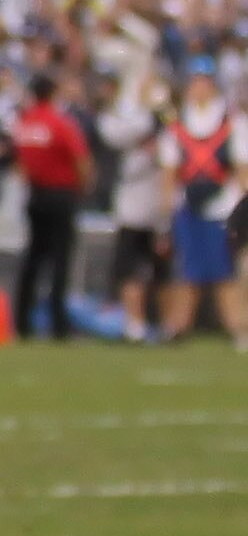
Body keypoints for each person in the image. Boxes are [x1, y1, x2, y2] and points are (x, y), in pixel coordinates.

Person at [159, 57, 247, 344]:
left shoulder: (231, 121)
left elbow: (241, 166)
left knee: (225, 270)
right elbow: (170, 170)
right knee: (188, 269)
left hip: (223, 203)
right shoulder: (177, 122)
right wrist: (166, 208)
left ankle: (238, 326)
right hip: (189, 203)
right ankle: (178, 325)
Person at [8, 70, 91, 340]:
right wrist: (84, 187)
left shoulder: (25, 123)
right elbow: (81, 159)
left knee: (32, 259)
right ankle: (59, 325)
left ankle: (21, 321)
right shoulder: (60, 123)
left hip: (35, 194)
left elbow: (19, 163)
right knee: (60, 261)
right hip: (61, 194)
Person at [97, 67, 169, 339]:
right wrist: (150, 117)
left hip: (159, 207)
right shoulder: (125, 118)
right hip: (131, 205)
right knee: (129, 269)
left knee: (160, 270)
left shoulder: (162, 119)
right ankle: (134, 324)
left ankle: (163, 324)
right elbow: (119, 136)